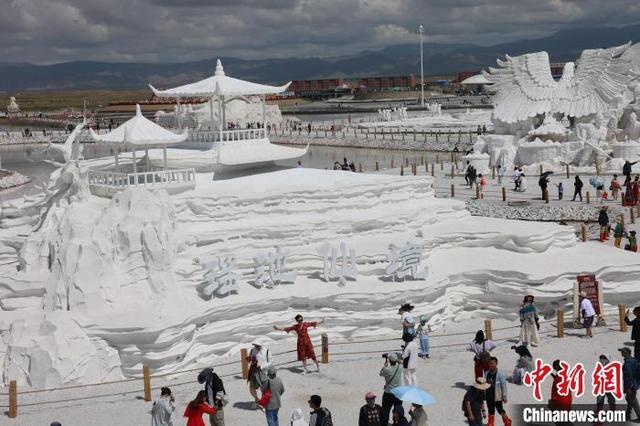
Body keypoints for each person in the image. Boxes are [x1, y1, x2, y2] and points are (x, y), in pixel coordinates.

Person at [485, 357, 511, 426]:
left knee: (500, 409)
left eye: (493, 363)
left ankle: (507, 420)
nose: (491, 365)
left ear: (496, 364)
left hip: (497, 396)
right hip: (488, 395)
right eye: (490, 363)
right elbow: (484, 384)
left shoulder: (500, 374)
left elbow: (503, 386)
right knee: (490, 409)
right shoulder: (486, 373)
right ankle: (491, 423)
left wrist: (504, 396)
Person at [379, 353, 403, 426]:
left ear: (389, 361)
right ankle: (397, 423)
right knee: (398, 410)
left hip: (388, 393)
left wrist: (384, 366)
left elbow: (380, 374)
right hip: (398, 393)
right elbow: (402, 362)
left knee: (385, 410)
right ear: (395, 361)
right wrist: (397, 359)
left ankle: (385, 423)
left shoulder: (387, 369)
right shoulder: (400, 367)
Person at [247, 338, 272, 405]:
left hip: (264, 373)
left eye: (257, 345)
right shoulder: (252, 350)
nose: (256, 347)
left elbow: (271, 362)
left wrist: (262, 366)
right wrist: (250, 361)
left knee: (263, 390)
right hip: (254, 372)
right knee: (252, 389)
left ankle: (263, 402)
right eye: (255, 345)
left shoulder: (267, 351)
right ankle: (257, 400)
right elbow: (251, 360)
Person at [594, 354, 616, 425]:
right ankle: (599, 419)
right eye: (601, 357)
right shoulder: (599, 365)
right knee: (599, 401)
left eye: (604, 358)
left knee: (611, 399)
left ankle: (612, 411)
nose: (602, 359)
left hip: (609, 386)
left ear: (607, 359)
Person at [620, 347, 640, 421]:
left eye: (622, 352)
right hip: (635, 384)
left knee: (633, 400)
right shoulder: (634, 360)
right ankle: (627, 415)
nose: (621, 353)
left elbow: (628, 376)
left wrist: (628, 388)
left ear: (626, 353)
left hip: (630, 386)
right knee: (630, 399)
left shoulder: (628, 363)